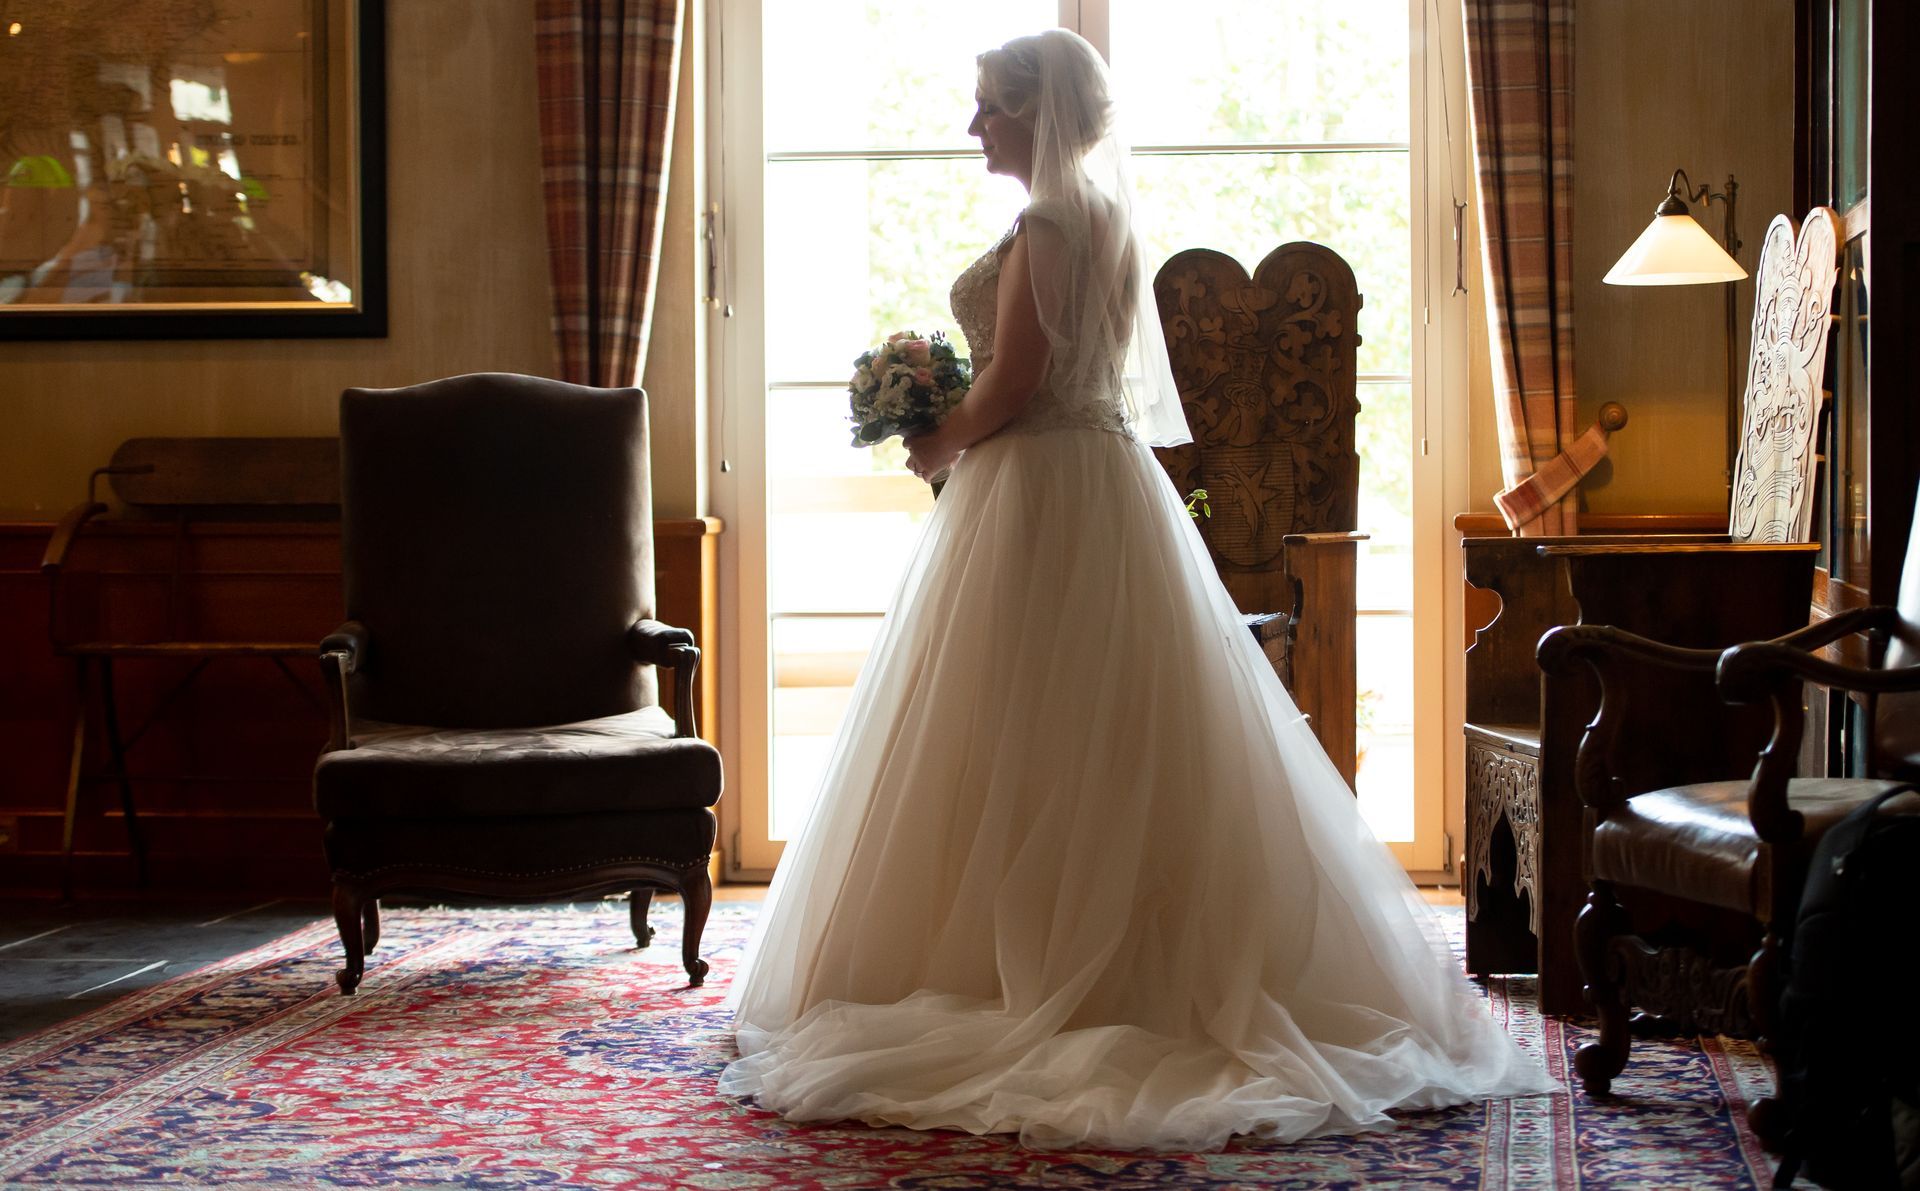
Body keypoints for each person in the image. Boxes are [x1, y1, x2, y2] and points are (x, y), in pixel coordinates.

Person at [720, 28, 1557, 1152]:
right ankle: (1094, 952)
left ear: (1037, 113)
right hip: (1091, 487)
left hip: (1041, 493)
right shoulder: (1097, 217)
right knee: (1091, 732)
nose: (975, 126)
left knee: (1026, 729)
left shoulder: (1054, 220)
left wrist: (935, 441)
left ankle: (1037, 973)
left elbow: (1017, 384)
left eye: (988, 107)